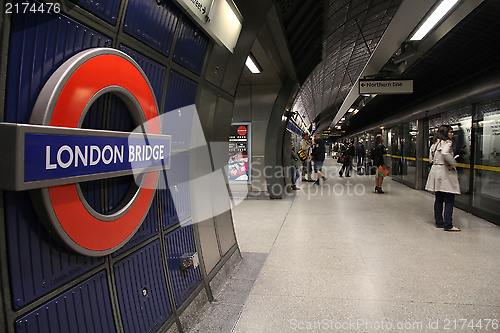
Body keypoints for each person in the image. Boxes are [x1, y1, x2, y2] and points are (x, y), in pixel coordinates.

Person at [425, 125, 461, 231]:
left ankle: (439, 221)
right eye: (450, 132)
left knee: (439, 199)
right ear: (446, 133)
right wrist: (453, 162)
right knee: (449, 199)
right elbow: (445, 153)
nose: (452, 134)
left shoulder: (435, 144)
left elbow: (431, 158)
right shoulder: (447, 143)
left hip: (436, 171)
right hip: (445, 172)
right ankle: (448, 224)